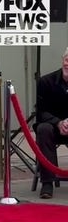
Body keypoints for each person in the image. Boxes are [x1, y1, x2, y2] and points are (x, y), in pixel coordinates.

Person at [35, 48, 68, 199]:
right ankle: (47, 183)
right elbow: (41, 111)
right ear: (62, 60)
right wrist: (58, 123)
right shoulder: (46, 81)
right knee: (43, 129)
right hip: (53, 127)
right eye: (67, 60)